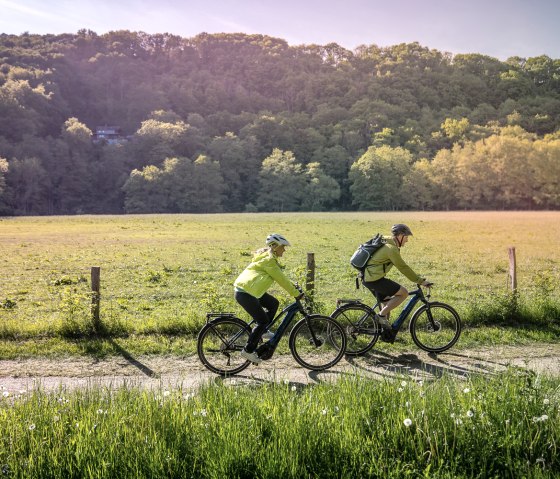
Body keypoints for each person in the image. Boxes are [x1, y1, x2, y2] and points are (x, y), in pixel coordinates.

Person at [234, 233, 302, 364]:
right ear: (275, 247)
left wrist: (294, 286)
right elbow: (281, 279)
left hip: (251, 291)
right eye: (283, 247)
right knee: (263, 321)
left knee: (273, 303)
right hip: (246, 293)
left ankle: (263, 331)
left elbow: (281, 276)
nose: (284, 250)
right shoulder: (269, 261)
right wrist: (295, 293)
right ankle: (248, 351)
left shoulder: (269, 259)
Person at [362, 223, 430, 330]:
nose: (407, 240)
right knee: (404, 293)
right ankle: (379, 316)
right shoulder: (391, 249)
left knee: (387, 307)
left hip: (368, 277)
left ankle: (385, 334)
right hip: (373, 279)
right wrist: (420, 281)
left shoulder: (387, 241)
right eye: (406, 237)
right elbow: (403, 267)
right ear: (400, 235)